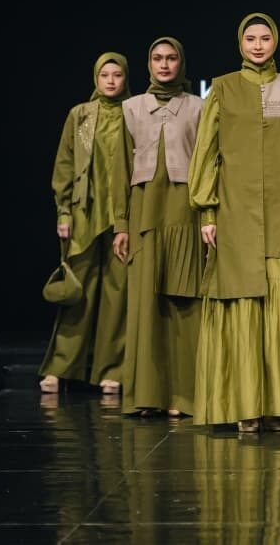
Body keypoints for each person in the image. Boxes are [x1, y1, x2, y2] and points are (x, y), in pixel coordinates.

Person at [189, 13, 280, 432]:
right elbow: (207, 153)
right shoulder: (223, 88)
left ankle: (278, 407)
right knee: (242, 303)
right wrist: (207, 211)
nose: (257, 45)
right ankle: (245, 407)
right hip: (235, 217)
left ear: (275, 41)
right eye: (250, 38)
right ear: (240, 43)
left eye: (265, 38)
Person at [112, 37, 204, 417]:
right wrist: (121, 224)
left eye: (171, 58)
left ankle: (184, 397)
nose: (164, 65)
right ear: (148, 64)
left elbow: (209, 165)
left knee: (184, 304)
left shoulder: (198, 107)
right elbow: (120, 169)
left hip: (185, 213)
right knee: (145, 306)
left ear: (181, 63)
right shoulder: (131, 108)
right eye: (157, 58)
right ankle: (147, 396)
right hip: (144, 215)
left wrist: (208, 218)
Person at [41, 52, 129, 395]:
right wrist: (63, 211)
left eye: (117, 75)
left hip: (122, 218)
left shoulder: (133, 112)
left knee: (117, 297)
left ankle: (112, 370)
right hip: (85, 215)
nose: (111, 81)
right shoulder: (80, 115)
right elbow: (64, 164)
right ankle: (61, 368)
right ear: (96, 78)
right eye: (105, 75)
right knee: (77, 294)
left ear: (125, 78)